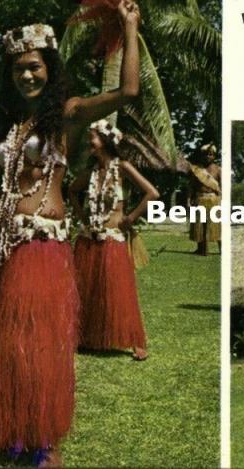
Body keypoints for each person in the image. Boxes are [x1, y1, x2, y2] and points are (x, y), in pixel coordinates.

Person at [0, 0, 141, 465]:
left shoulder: (66, 114)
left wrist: (129, 26)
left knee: (28, 340)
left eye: (34, 67)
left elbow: (127, 91)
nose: (26, 76)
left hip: (40, 246)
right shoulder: (8, 127)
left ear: (49, 67)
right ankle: (9, 427)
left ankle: (41, 440)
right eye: (18, 70)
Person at [69, 119, 159, 361]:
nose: (89, 140)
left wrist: (130, 217)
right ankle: (86, 337)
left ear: (106, 141)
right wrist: (81, 216)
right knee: (88, 289)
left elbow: (152, 193)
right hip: (89, 237)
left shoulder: (122, 167)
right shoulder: (91, 172)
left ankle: (135, 342)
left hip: (113, 238)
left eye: (93, 136)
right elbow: (71, 190)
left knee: (118, 290)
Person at [187, 144, 221, 256]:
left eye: (210, 154)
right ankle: (201, 249)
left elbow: (223, 186)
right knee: (199, 225)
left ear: (214, 156)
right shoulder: (196, 170)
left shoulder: (218, 170)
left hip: (213, 199)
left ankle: (222, 249)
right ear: (201, 156)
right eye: (205, 154)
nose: (208, 156)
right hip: (199, 198)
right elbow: (191, 186)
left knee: (216, 225)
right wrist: (188, 199)